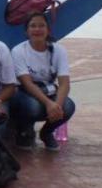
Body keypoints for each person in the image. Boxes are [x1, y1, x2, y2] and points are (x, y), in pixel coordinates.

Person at [10, 12, 76, 150]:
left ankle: (46, 133)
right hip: (25, 91)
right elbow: (27, 83)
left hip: (49, 90)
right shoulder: (18, 51)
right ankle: (25, 131)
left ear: (48, 29)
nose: (37, 29)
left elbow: (64, 83)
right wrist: (48, 104)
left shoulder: (58, 50)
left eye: (41, 26)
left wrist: (57, 105)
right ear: (26, 30)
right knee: (33, 107)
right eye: (33, 26)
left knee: (68, 106)